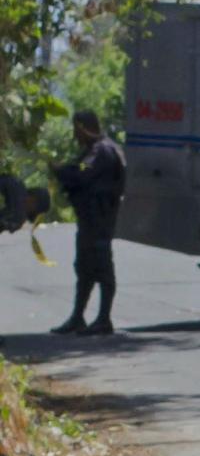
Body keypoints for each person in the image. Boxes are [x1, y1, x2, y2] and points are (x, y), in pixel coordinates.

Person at [50, 110, 125, 338]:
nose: (75, 136)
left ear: (83, 127)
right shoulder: (94, 151)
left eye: (76, 129)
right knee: (84, 267)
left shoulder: (102, 151)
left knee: (102, 266)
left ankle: (104, 319)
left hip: (99, 220)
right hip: (90, 220)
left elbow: (84, 172)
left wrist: (62, 170)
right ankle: (78, 317)